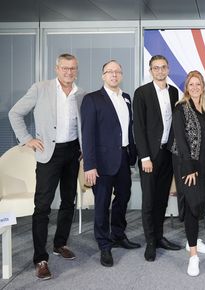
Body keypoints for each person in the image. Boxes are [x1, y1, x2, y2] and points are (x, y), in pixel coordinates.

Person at [8, 53, 85, 280]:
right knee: (42, 206)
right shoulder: (40, 88)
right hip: (48, 154)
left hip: (73, 153)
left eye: (72, 68)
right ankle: (40, 258)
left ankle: (60, 243)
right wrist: (27, 139)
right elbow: (15, 113)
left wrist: (83, 148)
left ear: (76, 70)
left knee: (68, 202)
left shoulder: (81, 94)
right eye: (64, 68)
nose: (68, 72)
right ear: (56, 68)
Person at [81, 60, 140, 268]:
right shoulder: (92, 99)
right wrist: (89, 165)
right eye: (109, 72)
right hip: (101, 162)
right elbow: (87, 134)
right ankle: (104, 245)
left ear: (121, 75)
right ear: (103, 75)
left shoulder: (126, 97)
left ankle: (118, 235)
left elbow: (128, 128)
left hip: (123, 158)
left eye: (117, 71)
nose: (114, 75)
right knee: (102, 204)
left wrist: (133, 155)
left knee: (123, 197)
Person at [133, 55, 182, 262]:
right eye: (156, 68)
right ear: (150, 70)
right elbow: (139, 127)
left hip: (167, 153)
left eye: (163, 67)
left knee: (162, 199)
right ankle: (150, 242)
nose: (160, 71)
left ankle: (160, 237)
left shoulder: (173, 92)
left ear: (168, 69)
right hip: (149, 157)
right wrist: (144, 157)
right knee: (149, 201)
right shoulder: (142, 92)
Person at [170, 70, 205, 276]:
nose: (195, 87)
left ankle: (193, 241)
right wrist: (188, 167)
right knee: (191, 206)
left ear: (203, 87)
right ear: (187, 88)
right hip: (186, 165)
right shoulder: (181, 108)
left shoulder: (204, 110)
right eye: (191, 84)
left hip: (204, 165)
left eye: (198, 84)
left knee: (199, 205)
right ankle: (193, 257)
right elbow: (180, 140)